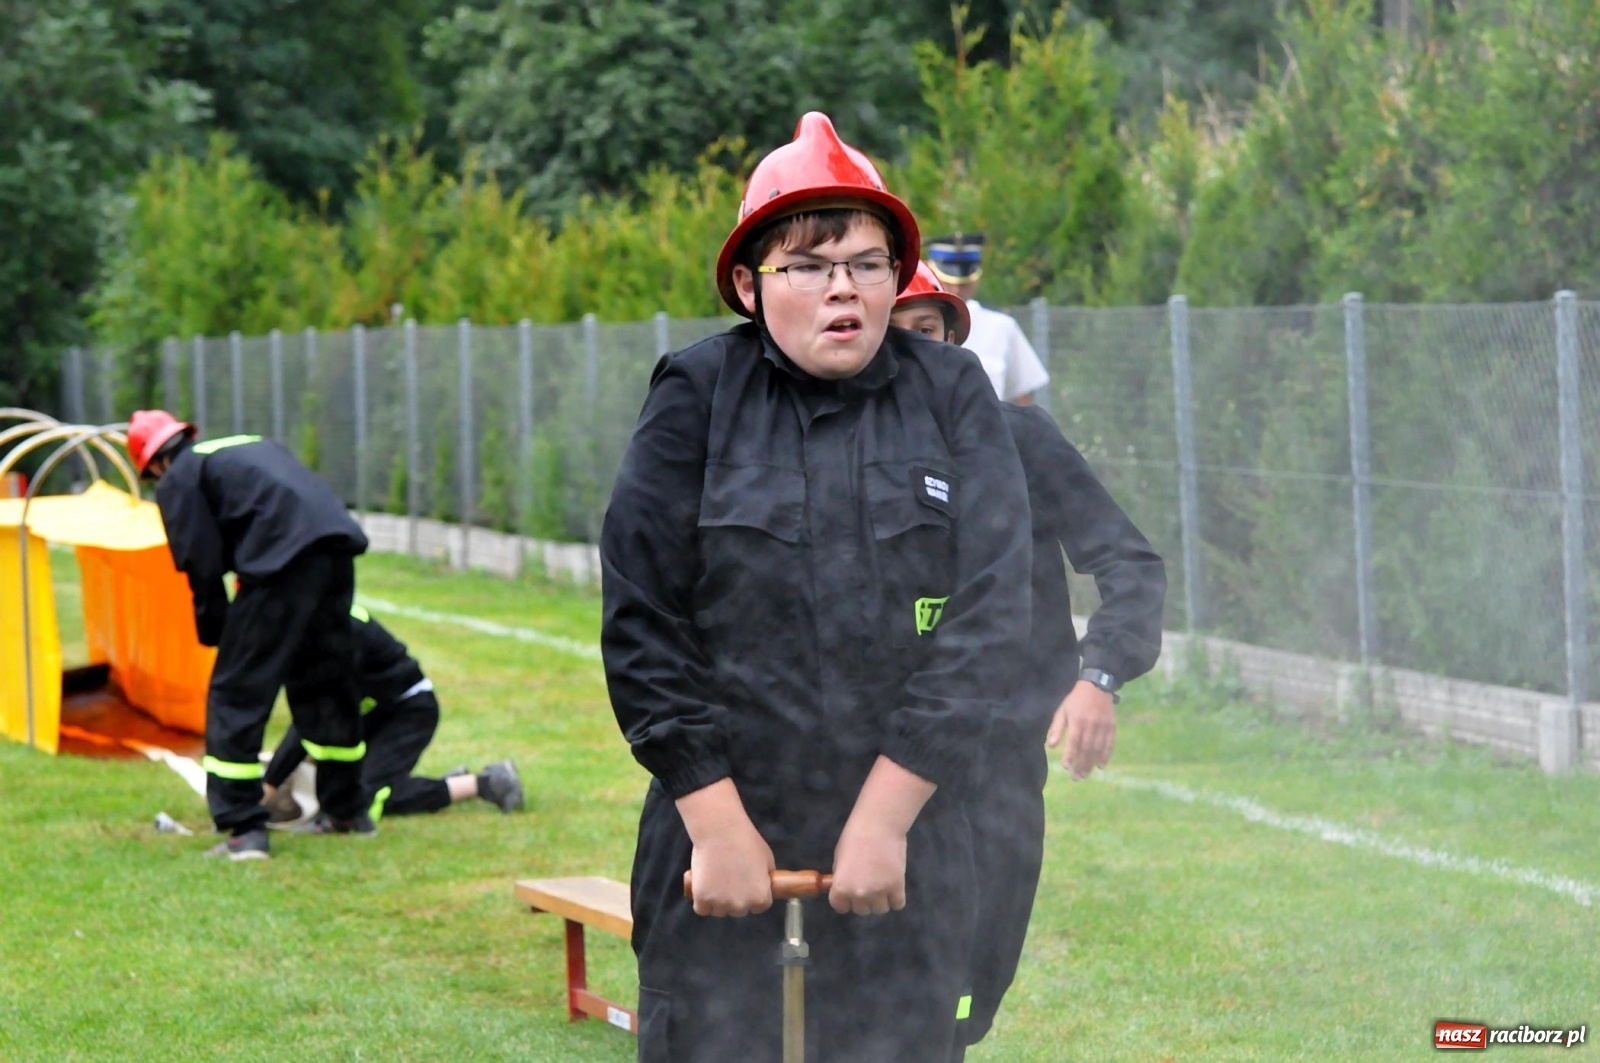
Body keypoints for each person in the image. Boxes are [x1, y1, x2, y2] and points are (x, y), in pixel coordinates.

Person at [601, 113, 1033, 1063]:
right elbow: (643, 621)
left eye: (869, 263)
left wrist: (885, 819)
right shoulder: (694, 397)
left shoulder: (953, 392)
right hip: (716, 843)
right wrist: (714, 823)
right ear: (750, 286)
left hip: (910, 840)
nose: (844, 286)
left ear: (897, 280)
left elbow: (993, 614)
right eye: (809, 264)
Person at [891, 266, 1167, 1058]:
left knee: (971, 1000)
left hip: (998, 772)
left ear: (956, 341)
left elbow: (1131, 565)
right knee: (898, 1003)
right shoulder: (836, 456)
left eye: (929, 333)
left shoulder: (1019, 441)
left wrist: (1098, 676)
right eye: (895, 334)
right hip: (872, 771)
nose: (913, 354)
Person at [128, 411, 372, 861]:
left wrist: (216, 628)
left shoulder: (180, 476)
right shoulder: (246, 444)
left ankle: (244, 829)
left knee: (235, 692)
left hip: (281, 564)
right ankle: (347, 811)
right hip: (335, 552)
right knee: (325, 683)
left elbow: (200, 561)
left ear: (153, 465)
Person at [260, 604, 524, 826]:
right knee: (344, 788)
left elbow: (316, 717)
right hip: (378, 710)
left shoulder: (340, 635)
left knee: (363, 799)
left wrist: (271, 782)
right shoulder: (320, 617)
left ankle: (486, 783)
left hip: (409, 711)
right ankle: (448, 784)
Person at [927, 232, 1050, 404]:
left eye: (963, 283)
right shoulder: (908, 323)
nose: (956, 290)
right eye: (948, 281)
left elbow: (1023, 397)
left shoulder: (1000, 326)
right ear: (930, 271)